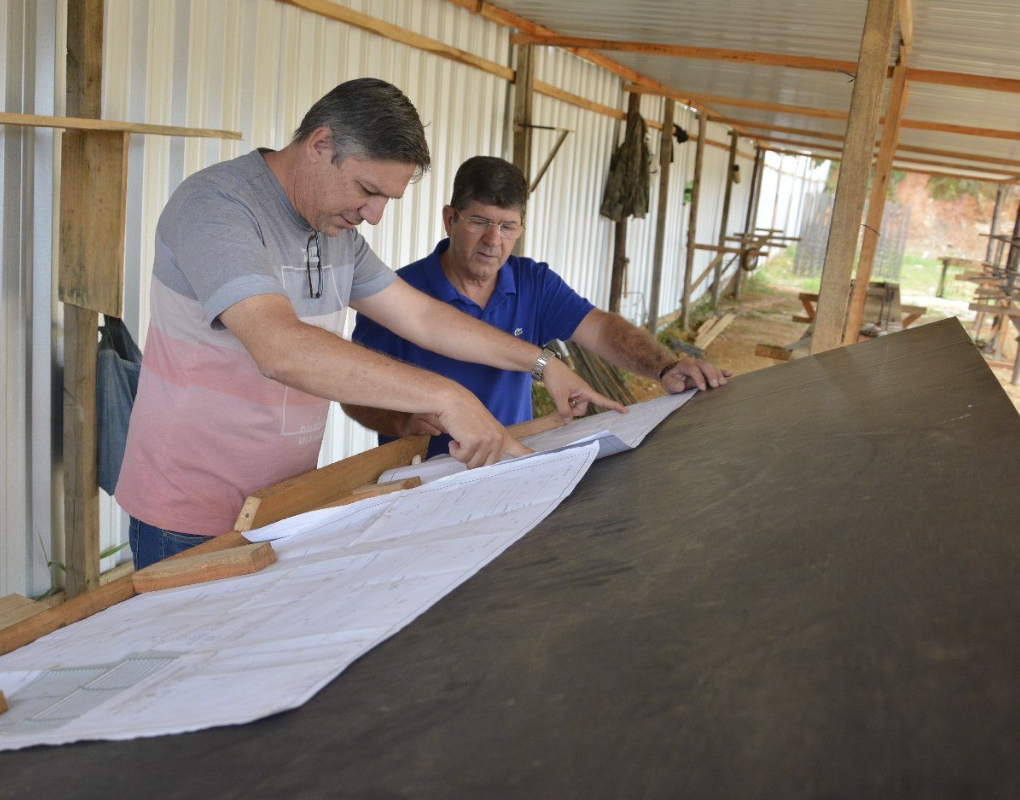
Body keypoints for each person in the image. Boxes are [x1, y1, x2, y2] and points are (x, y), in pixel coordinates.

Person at [115, 80, 621, 569]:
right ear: (320, 144)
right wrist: (448, 396)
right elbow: (281, 349)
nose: (374, 215)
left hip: (284, 498)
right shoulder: (218, 208)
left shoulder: (336, 231)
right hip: (188, 510)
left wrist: (540, 362)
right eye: (367, 190)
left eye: (387, 200)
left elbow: (421, 316)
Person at [346, 155, 729, 458]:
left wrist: (662, 367)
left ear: (521, 229)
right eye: (480, 221)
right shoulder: (397, 294)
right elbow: (354, 391)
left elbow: (600, 329)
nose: (494, 240)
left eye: (508, 226)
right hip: (426, 475)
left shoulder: (533, 283)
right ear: (450, 219)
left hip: (516, 460)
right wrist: (401, 420)